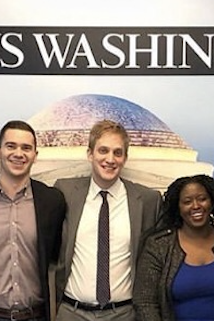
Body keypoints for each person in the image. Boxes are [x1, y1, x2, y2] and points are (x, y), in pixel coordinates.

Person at [54, 119, 162, 321]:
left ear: (125, 158)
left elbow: (173, 243)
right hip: (71, 313)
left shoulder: (148, 201)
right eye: (103, 150)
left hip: (123, 314)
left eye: (117, 152)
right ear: (90, 154)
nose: (110, 159)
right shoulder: (65, 192)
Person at [0, 120, 66, 321]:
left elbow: (56, 257)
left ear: (35, 155)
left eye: (26, 148)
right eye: (11, 146)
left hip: (35, 316)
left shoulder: (52, 201)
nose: (19, 154)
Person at [133, 174, 214, 321]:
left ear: (212, 202)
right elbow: (145, 302)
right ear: (178, 207)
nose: (195, 206)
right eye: (187, 201)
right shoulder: (158, 246)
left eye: (202, 199)